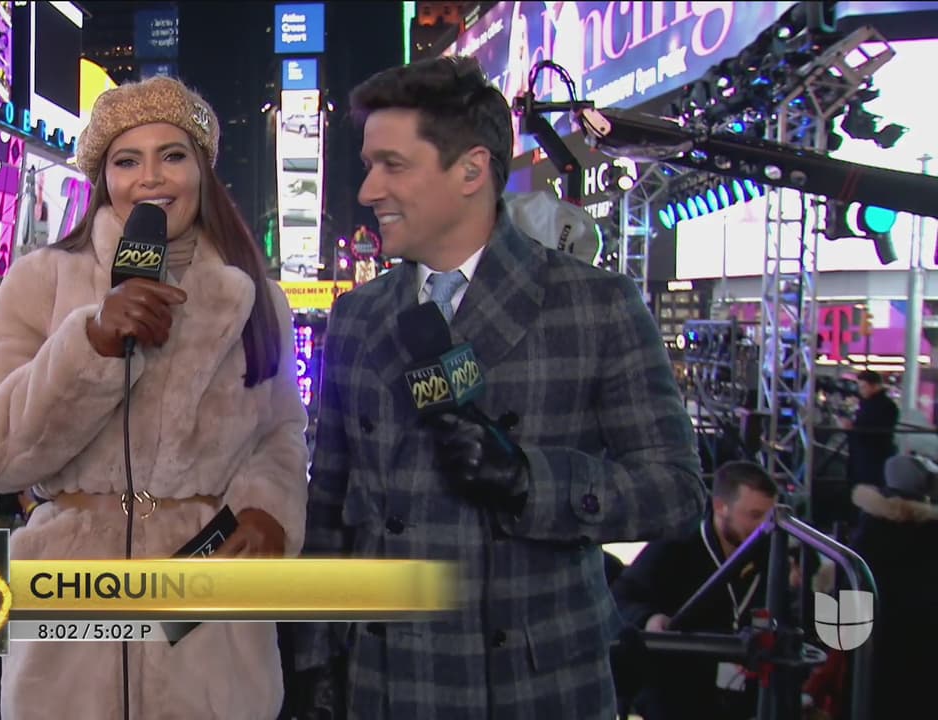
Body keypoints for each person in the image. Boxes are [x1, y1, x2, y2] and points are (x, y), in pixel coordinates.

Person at [293, 56, 706, 719]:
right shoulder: (358, 315)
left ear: (471, 170)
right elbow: (330, 508)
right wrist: (314, 657)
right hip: (382, 681)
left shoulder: (593, 305)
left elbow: (677, 493)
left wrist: (530, 482)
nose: (368, 190)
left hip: (531, 688)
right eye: (369, 165)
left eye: (392, 165)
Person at [0, 75, 310, 720]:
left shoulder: (255, 293)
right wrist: (89, 342)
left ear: (201, 169)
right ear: (103, 177)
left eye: (172, 155)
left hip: (207, 624)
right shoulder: (40, 280)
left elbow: (281, 431)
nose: (151, 178)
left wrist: (268, 512)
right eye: (127, 160)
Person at [610, 461, 779, 720]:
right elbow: (622, 596)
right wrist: (649, 618)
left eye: (769, 517)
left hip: (748, 690)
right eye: (755, 516)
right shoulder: (675, 546)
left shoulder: (772, 552)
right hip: (679, 685)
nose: (764, 526)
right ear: (721, 507)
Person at [839, 453, 938, 719]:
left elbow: (839, 625)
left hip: (868, 676)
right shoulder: (930, 539)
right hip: (925, 676)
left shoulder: (864, 538)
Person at [840, 370, 899, 490]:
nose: (861, 390)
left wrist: (852, 428)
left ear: (875, 386)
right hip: (867, 457)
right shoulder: (871, 404)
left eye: (864, 387)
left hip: (872, 459)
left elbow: (874, 430)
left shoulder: (883, 406)